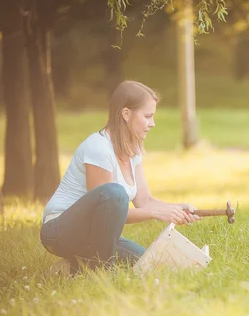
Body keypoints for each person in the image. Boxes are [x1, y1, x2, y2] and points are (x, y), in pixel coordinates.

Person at [40, 81, 200, 273]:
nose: (153, 123)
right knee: (115, 193)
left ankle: (72, 269)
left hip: (94, 235)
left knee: (146, 262)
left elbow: (145, 200)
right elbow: (107, 208)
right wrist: (157, 214)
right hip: (60, 231)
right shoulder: (98, 148)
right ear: (126, 114)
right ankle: (101, 271)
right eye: (147, 116)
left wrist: (175, 209)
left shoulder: (133, 150)